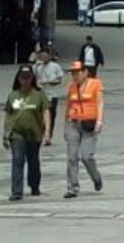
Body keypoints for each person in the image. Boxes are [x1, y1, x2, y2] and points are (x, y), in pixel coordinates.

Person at [2, 64, 51, 201]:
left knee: (33, 161)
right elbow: (8, 114)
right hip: (17, 133)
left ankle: (34, 185)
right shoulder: (13, 95)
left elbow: (46, 112)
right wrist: (5, 134)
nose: (25, 81)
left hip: (34, 134)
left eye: (28, 77)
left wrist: (47, 131)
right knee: (17, 160)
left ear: (32, 78)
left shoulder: (39, 94)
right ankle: (17, 191)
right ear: (18, 78)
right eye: (22, 78)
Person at [63, 60, 104, 197]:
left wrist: (99, 121)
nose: (75, 76)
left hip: (89, 124)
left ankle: (96, 177)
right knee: (72, 157)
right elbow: (68, 105)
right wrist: (65, 125)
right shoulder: (71, 87)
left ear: (85, 72)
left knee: (86, 156)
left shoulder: (95, 84)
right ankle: (72, 187)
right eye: (73, 73)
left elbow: (99, 103)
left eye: (77, 72)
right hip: (73, 123)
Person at [34, 48, 67, 126]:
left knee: (51, 115)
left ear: (49, 56)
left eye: (45, 56)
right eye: (42, 56)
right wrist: (36, 68)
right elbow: (36, 80)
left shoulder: (55, 66)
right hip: (42, 95)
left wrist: (48, 82)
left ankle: (49, 130)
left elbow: (59, 81)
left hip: (52, 95)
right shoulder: (38, 67)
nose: (43, 58)